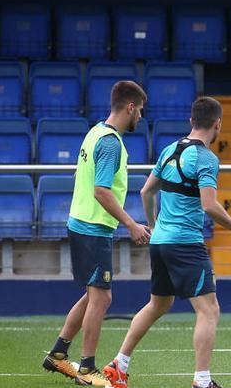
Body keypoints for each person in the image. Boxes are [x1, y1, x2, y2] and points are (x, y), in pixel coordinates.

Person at [103, 97, 231, 388]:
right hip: (185, 244)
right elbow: (209, 204)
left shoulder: (170, 149)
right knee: (209, 310)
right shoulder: (206, 158)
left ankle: (120, 364)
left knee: (158, 304)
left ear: (192, 121)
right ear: (218, 124)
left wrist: (155, 227)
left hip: (162, 243)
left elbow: (145, 192)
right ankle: (202, 380)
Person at [42, 81, 151, 387]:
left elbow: (82, 175)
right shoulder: (111, 143)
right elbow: (101, 190)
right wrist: (132, 224)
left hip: (82, 223)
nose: (141, 117)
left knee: (93, 295)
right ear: (130, 107)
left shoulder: (95, 132)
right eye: (140, 110)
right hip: (92, 228)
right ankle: (87, 369)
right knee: (102, 298)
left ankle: (59, 354)